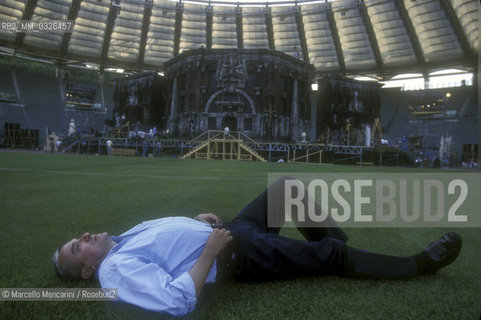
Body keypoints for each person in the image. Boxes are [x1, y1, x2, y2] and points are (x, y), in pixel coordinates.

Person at [52, 177, 462, 316]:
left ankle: (339, 248)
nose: (85, 236)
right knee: (329, 256)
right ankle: (415, 264)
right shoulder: (113, 271)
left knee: (287, 191)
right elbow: (174, 302)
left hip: (228, 230)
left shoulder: (124, 239)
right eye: (77, 247)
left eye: (79, 237)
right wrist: (210, 250)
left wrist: (195, 223)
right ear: (87, 271)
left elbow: (168, 240)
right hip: (235, 256)